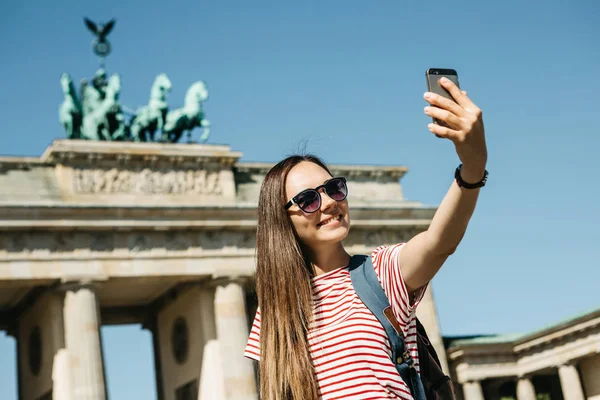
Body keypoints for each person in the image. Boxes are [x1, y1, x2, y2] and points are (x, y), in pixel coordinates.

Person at [244, 77, 488, 399]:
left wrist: (472, 168)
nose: (330, 202)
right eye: (308, 200)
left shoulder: (381, 272)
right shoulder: (275, 311)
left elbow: (439, 241)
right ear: (282, 220)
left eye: (334, 189)